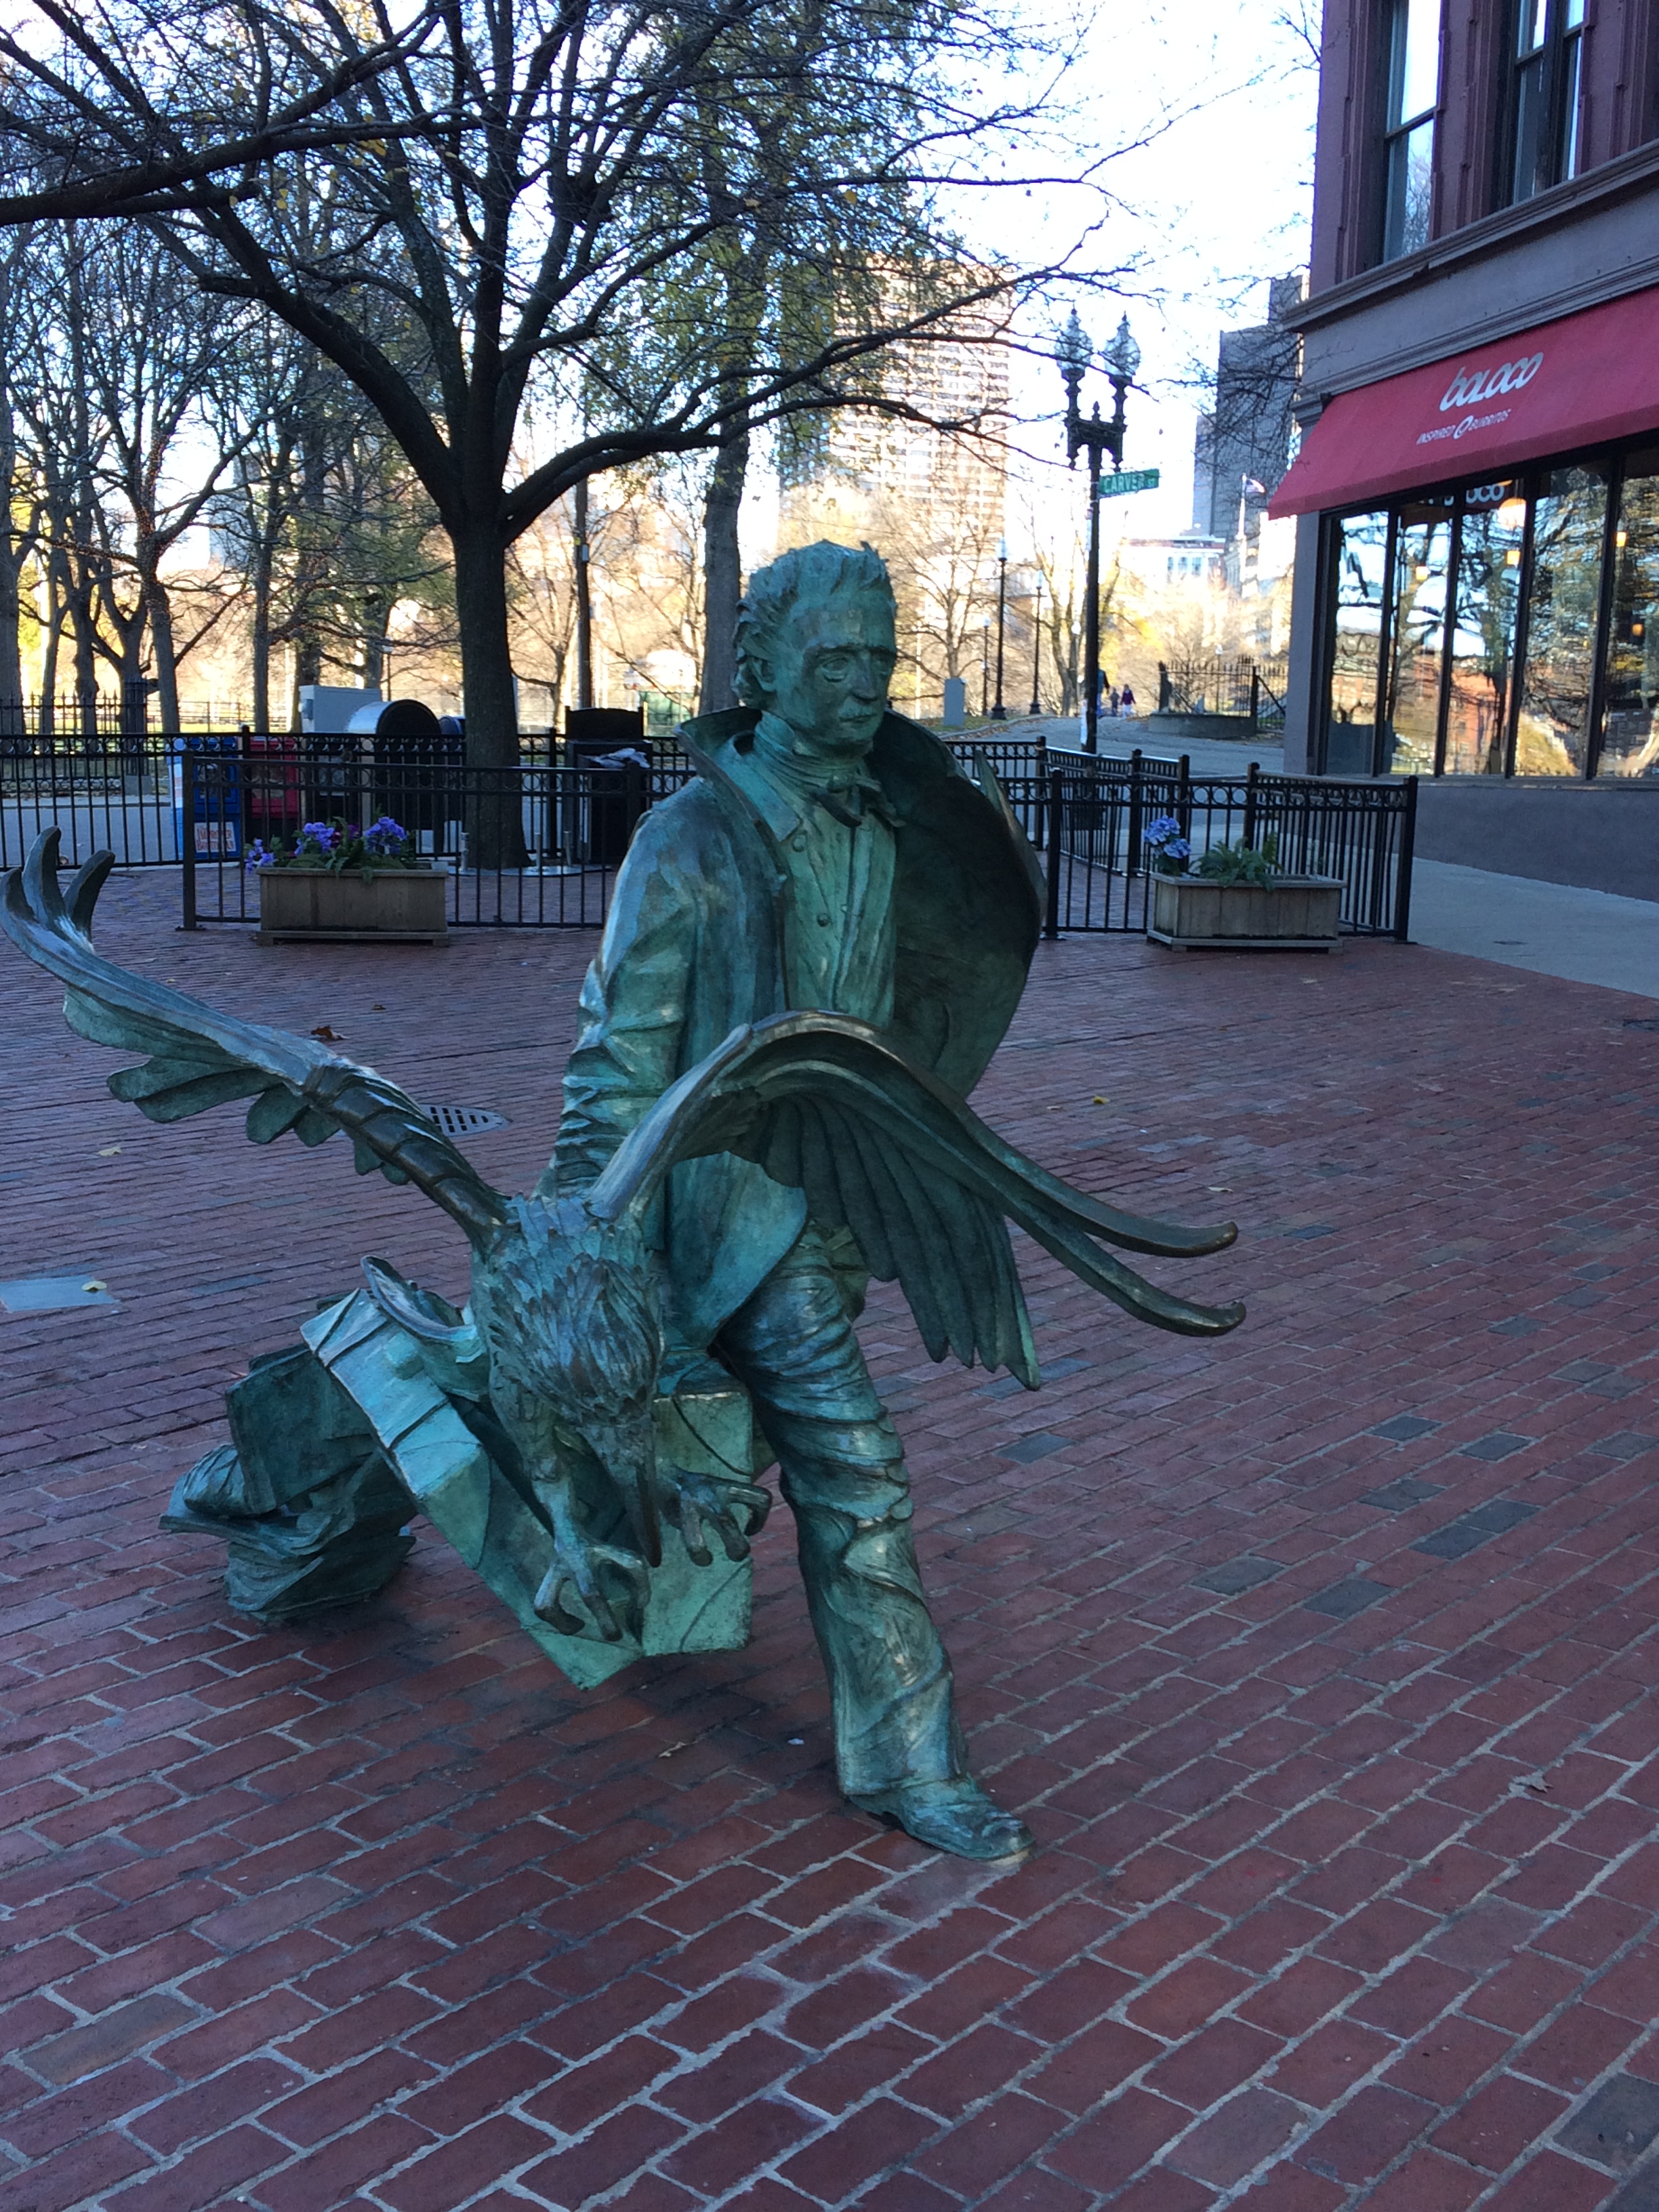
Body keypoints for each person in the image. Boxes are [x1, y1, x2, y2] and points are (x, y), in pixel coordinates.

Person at [549, 541, 1040, 1860]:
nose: (867, 684)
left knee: (714, 1443)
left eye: (881, 658)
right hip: (731, 1206)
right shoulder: (689, 840)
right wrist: (588, 1244)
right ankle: (911, 1763)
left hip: (840, 1196)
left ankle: (590, 1541)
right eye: (836, 660)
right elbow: (616, 1062)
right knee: (855, 1466)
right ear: (761, 669)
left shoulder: (899, 817)